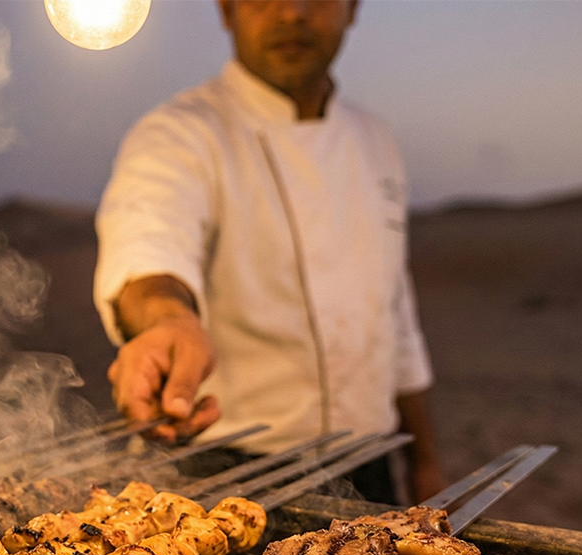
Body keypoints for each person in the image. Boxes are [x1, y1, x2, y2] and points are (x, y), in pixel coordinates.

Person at [92, 0, 446, 504]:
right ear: (226, 10)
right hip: (222, 473)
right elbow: (149, 240)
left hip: (369, 468)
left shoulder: (375, 140)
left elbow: (397, 319)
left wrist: (424, 460)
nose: (291, 12)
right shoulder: (178, 133)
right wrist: (167, 319)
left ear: (352, 8)